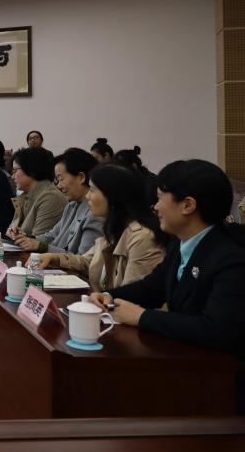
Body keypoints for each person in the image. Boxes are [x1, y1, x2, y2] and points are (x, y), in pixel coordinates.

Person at [89, 160, 245, 413]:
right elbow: (151, 288)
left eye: (161, 198)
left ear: (188, 205)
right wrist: (107, 296)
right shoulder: (181, 243)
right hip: (190, 367)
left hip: (224, 386)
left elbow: (216, 329)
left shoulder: (231, 258)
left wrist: (142, 317)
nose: (155, 206)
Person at [40, 164, 166, 292]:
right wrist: (55, 258)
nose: (87, 196)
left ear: (113, 195)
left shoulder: (141, 238)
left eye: (92, 190)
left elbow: (132, 294)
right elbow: (87, 261)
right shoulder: (114, 228)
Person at [14, 148, 103, 255]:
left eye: (61, 179)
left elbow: (83, 260)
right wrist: (25, 238)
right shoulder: (71, 206)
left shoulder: (96, 213)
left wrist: (41, 246)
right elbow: (52, 236)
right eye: (57, 180)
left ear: (81, 177)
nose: (58, 186)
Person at [6, 147, 66, 238]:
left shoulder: (51, 197)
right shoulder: (24, 195)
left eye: (15, 171)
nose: (12, 176)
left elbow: (37, 241)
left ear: (31, 169)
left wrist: (16, 236)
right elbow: (12, 231)